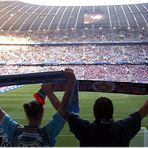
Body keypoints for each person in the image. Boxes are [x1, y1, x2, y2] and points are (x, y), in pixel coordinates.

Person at [42, 82, 148, 146]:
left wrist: (49, 92)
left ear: (93, 112)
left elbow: (63, 112)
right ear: (112, 112)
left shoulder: (85, 129)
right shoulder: (123, 128)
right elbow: (144, 110)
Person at [0, 69, 76, 146]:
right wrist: (71, 79)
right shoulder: (47, 134)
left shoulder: (15, 132)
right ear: (42, 114)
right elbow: (63, 109)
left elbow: (63, 109)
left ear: (27, 114)